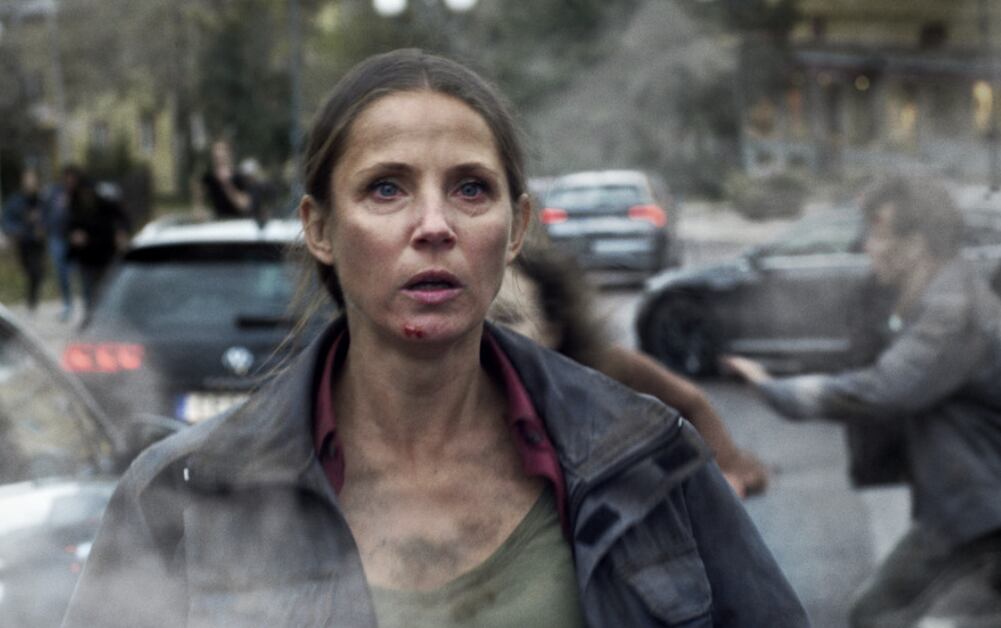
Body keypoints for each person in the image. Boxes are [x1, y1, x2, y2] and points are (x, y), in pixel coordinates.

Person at [63, 49, 807, 627]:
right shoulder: (181, 497)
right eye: (386, 187)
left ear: (515, 228)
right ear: (319, 228)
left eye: (470, 188)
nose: (434, 226)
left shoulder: (644, 459)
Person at [723, 175, 1001, 628]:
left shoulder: (952, 309)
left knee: (886, 615)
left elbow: (886, 388)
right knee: (882, 613)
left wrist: (776, 390)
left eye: (877, 233)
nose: (866, 246)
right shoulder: (933, 295)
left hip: (981, 516)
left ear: (916, 244)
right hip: (964, 513)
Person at [491, 242, 769, 498]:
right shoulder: (473, 396)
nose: (488, 334)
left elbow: (690, 401)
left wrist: (727, 470)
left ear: (552, 327)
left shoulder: (601, 366)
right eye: (482, 319)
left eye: (508, 319)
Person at [65, 175, 130, 320]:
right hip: (85, 256)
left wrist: (121, 232)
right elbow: (68, 226)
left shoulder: (105, 205)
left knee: (104, 288)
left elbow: (122, 218)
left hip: (104, 253)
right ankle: (90, 317)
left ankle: (104, 316)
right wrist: (73, 236)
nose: (86, 197)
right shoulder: (75, 207)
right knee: (88, 289)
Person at [2, 169, 48, 311]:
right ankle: (31, 298)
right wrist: (18, 230)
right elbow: (6, 220)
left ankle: (32, 300)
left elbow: (51, 217)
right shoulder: (16, 201)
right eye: (27, 181)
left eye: (32, 181)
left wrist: (44, 227)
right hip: (24, 242)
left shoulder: (42, 200)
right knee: (29, 270)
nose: (30, 184)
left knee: (37, 271)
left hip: (38, 242)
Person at [46, 165, 82, 321]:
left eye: (73, 178)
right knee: (62, 273)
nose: (70, 181)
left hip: (76, 240)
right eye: (68, 177)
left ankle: (87, 304)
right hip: (57, 237)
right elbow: (46, 211)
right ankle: (67, 304)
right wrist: (47, 226)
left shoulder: (81, 193)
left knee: (80, 273)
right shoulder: (55, 192)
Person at [199, 139, 253, 218]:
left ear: (228, 154)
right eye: (215, 151)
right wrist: (200, 210)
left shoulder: (239, 177)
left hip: (238, 221)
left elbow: (244, 205)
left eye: (221, 150)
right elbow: (199, 201)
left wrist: (227, 184)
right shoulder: (209, 177)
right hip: (218, 222)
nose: (218, 154)